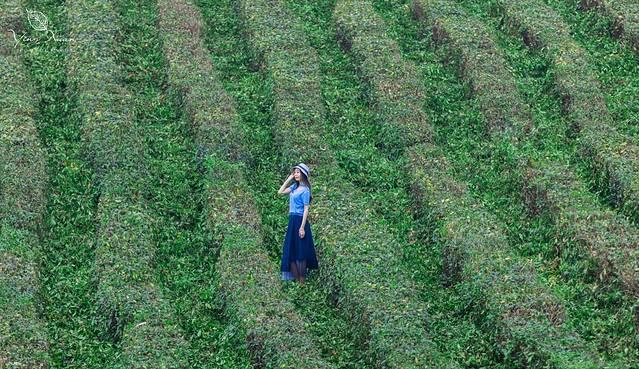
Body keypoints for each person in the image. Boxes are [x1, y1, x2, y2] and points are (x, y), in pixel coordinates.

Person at [277, 163, 319, 284]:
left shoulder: (305, 190)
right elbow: (280, 192)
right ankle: (297, 280)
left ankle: (302, 281)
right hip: (292, 220)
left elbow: (306, 209)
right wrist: (289, 178)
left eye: (298, 172)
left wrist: (302, 227)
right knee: (291, 249)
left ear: (303, 175)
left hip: (300, 220)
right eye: (295, 172)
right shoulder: (295, 187)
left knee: (300, 251)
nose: (296, 174)